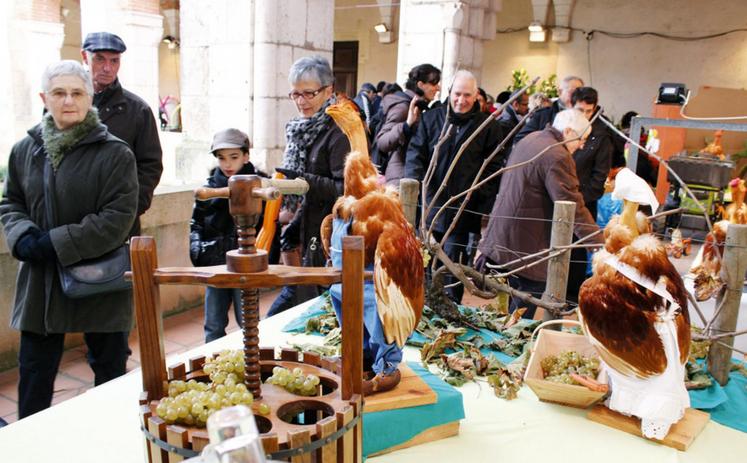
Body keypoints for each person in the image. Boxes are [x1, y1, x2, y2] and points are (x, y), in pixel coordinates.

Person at [0, 60, 138, 418]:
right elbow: (11, 201)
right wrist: (22, 235)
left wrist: (56, 243)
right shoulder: (24, 150)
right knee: (33, 374)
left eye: (77, 93)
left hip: (100, 281)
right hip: (41, 284)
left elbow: (118, 218)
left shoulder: (115, 153)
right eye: (59, 93)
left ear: (90, 98)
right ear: (44, 98)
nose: (68, 101)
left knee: (109, 371)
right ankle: (29, 444)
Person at [477, 109, 603, 319]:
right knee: (518, 316)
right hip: (526, 249)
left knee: (505, 310)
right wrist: (600, 246)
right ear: (569, 131)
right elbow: (572, 206)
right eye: (582, 139)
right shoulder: (557, 154)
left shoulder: (532, 138)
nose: (582, 145)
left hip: (505, 237)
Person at [405, 70, 505, 303]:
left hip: (463, 210)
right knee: (425, 261)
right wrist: (415, 193)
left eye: (467, 95)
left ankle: (450, 306)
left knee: (453, 263)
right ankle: (425, 303)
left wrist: (479, 198)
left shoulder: (487, 126)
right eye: (457, 94)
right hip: (429, 207)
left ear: (476, 95)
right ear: (450, 93)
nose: (461, 100)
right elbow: (415, 155)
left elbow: (494, 166)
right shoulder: (432, 119)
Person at [267, 56, 351, 317]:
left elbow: (345, 189)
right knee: (297, 298)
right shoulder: (302, 128)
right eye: (295, 94)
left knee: (315, 306)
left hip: (328, 232)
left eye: (308, 93)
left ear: (328, 91)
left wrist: (302, 181)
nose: (301, 101)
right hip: (305, 227)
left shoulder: (339, 130)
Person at [80, 32, 163, 236]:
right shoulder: (65, 104)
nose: (107, 68)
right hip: (72, 222)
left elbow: (150, 166)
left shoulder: (138, 110)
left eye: (114, 61)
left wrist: (129, 210)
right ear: (84, 57)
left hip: (120, 226)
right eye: (99, 59)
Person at [190, 129, 260, 342]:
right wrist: (197, 251)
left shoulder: (259, 186)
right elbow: (196, 223)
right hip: (216, 263)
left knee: (247, 323)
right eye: (222, 158)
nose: (227, 164)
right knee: (213, 325)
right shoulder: (208, 188)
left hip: (246, 266)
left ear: (246, 156)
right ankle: (214, 368)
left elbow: (268, 226)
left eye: (234, 157)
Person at [374, 63, 441, 186]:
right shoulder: (403, 107)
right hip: (400, 179)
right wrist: (406, 125)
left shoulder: (418, 106)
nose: (438, 88)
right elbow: (382, 141)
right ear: (420, 85)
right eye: (434, 83)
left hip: (409, 176)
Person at [513, 75, 584, 145]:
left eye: (580, 93)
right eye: (572, 92)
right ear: (560, 92)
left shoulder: (587, 115)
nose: (577, 96)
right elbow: (520, 140)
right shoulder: (543, 115)